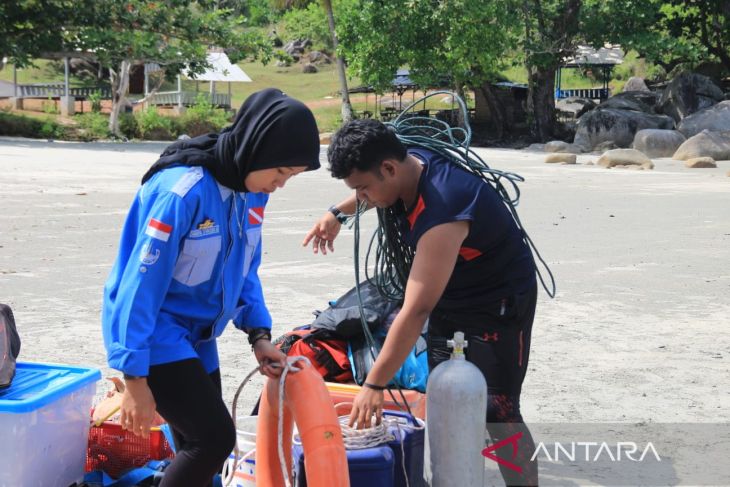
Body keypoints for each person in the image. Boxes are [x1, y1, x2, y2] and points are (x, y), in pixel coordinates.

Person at [102, 88, 320, 487]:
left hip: (198, 336)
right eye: (281, 173)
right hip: (157, 332)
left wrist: (258, 334)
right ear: (258, 150)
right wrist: (134, 377)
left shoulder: (252, 192)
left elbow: (244, 269)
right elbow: (139, 287)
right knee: (214, 439)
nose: (281, 184)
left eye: (290, 177)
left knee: (197, 449)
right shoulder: (180, 194)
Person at [303, 118, 540, 485]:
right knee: (441, 394)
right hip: (452, 293)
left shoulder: (444, 208)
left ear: (388, 168)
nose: (362, 198)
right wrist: (337, 213)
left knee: (499, 410)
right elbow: (370, 185)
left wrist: (375, 385)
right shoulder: (403, 164)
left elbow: (416, 310)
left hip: (498, 302)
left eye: (363, 189)